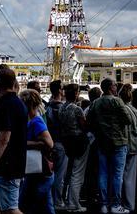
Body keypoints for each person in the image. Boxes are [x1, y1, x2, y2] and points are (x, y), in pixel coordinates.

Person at [87, 78, 135, 214]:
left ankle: (103, 204)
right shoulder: (117, 101)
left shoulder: (96, 103)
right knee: (117, 174)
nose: (116, 87)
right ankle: (115, 204)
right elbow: (128, 120)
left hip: (102, 142)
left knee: (103, 173)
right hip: (119, 142)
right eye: (115, 85)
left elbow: (89, 121)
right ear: (110, 88)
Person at [0, 67, 28, 214]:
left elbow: (3, 139)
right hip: (6, 166)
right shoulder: (17, 103)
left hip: (7, 167)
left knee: (10, 209)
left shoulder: (5, 105)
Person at [20, 88, 55, 214]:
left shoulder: (36, 121)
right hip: (39, 170)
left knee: (27, 203)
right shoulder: (33, 120)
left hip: (39, 170)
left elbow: (49, 143)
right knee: (46, 205)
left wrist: (24, 144)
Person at [59, 83, 88, 212]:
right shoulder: (77, 109)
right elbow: (84, 126)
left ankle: (64, 200)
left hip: (66, 141)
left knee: (68, 172)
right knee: (77, 173)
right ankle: (74, 203)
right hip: (78, 142)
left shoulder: (62, 108)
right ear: (76, 94)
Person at [118, 84, 137, 212]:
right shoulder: (134, 111)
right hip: (133, 145)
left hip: (123, 144)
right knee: (130, 176)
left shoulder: (121, 109)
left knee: (120, 175)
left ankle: (122, 203)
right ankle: (129, 203)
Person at [45, 80, 68, 210]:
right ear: (60, 90)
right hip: (60, 143)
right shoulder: (61, 108)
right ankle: (58, 201)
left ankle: (52, 200)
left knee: (52, 174)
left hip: (51, 142)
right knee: (60, 175)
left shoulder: (48, 106)